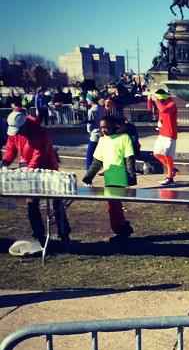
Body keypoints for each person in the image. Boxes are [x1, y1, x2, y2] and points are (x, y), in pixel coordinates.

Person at [2, 111, 71, 248]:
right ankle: (39, 235)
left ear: (24, 125)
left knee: (57, 203)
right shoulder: (15, 134)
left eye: (19, 130)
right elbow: (11, 148)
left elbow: (39, 155)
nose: (18, 133)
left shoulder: (41, 133)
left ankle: (64, 235)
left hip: (48, 170)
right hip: (29, 171)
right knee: (32, 203)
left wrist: (28, 170)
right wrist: (5, 161)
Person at [82, 115, 136, 243]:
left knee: (113, 204)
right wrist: (88, 177)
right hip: (109, 176)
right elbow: (96, 162)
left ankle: (121, 229)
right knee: (112, 204)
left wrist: (131, 176)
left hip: (120, 176)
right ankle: (122, 229)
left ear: (113, 125)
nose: (104, 129)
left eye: (106, 126)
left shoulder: (124, 137)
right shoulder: (102, 140)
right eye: (101, 127)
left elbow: (129, 158)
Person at [147, 88, 179, 185]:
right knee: (157, 153)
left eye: (159, 98)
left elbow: (163, 110)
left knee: (168, 155)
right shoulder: (161, 103)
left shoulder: (171, 105)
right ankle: (172, 170)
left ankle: (170, 177)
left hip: (170, 134)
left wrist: (156, 100)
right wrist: (149, 100)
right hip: (162, 134)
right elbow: (151, 108)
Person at [86, 93, 106, 170]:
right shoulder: (101, 108)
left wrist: (89, 132)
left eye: (87, 98)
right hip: (102, 134)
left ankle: (88, 175)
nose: (86, 99)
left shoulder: (91, 111)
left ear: (91, 99)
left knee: (89, 157)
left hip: (94, 135)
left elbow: (90, 125)